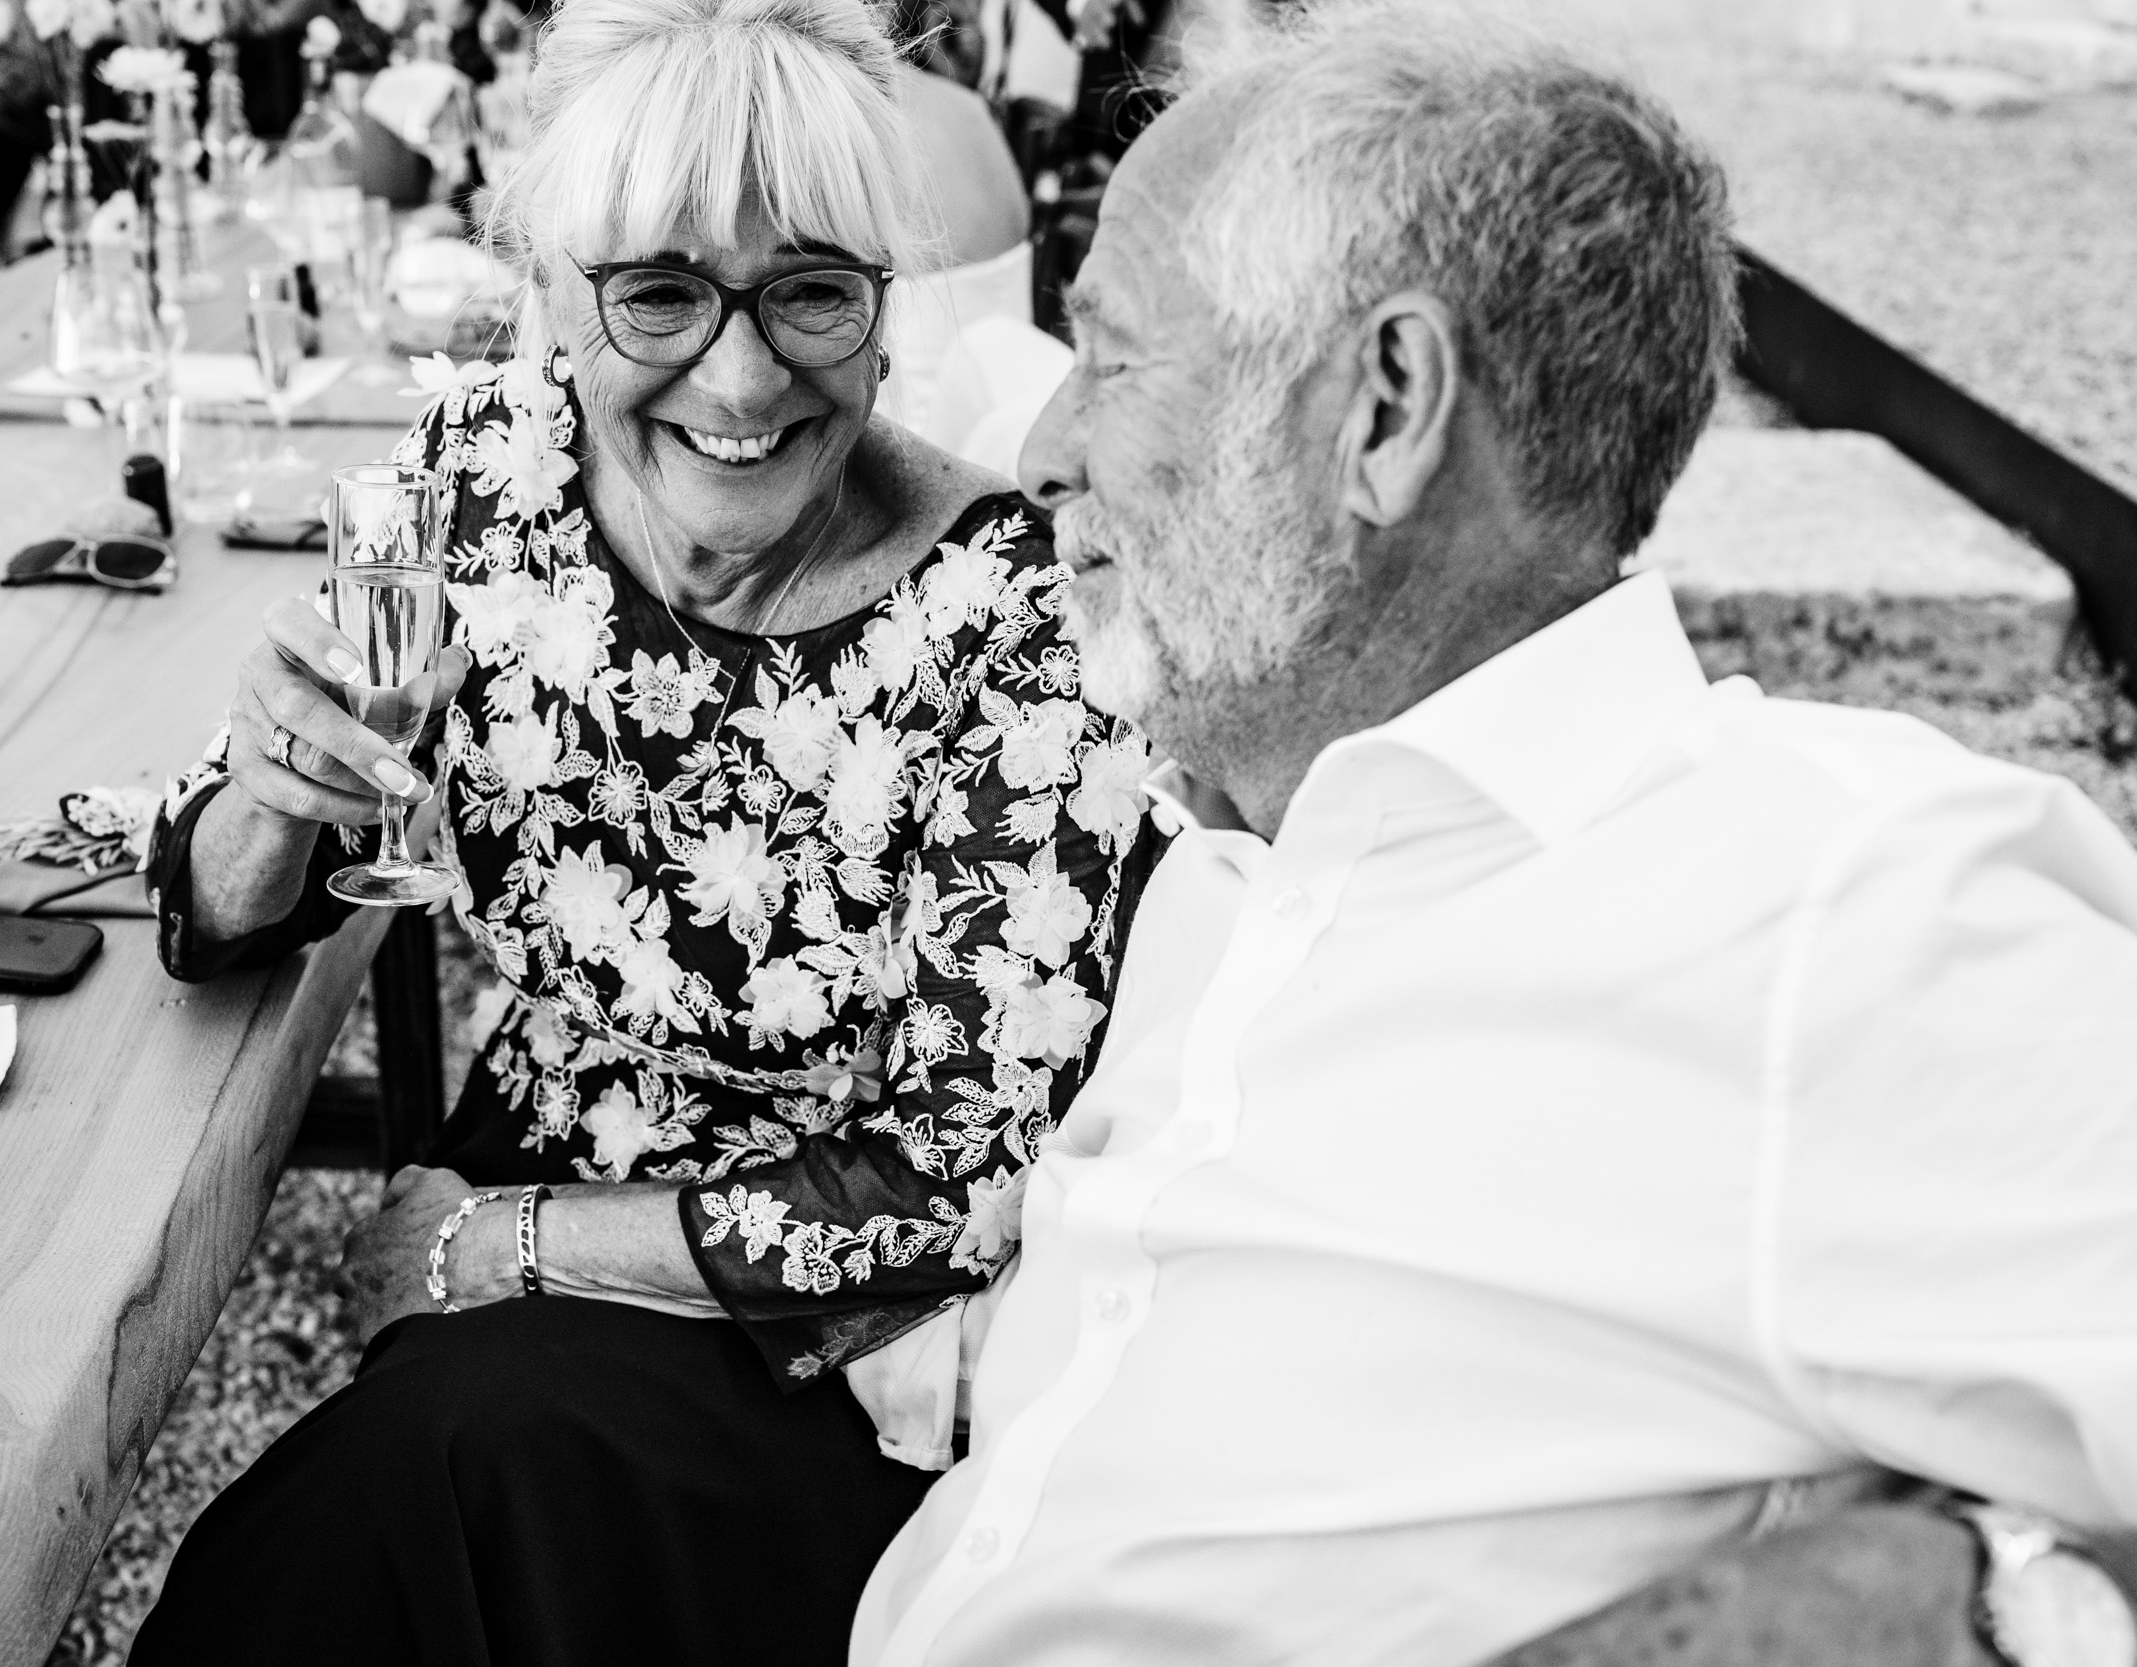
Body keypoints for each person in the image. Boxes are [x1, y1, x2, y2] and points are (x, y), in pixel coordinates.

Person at [850, 5, 2137, 1666]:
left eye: (1113, 358)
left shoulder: (1847, 913)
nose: (1043, 451)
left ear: (1385, 410)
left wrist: (1948, 1606)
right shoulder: (1249, 846)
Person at [129, 0, 1151, 1658]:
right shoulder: (480, 479)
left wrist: (495, 1245)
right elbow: (208, 905)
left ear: (887, 308)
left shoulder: (1013, 622)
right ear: (549, 299)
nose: (741, 377)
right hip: (528, 1205)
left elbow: (957, 1182)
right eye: (661, 293)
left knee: (418, 1486)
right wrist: (271, 785)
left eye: (812, 291)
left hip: (835, 1346)